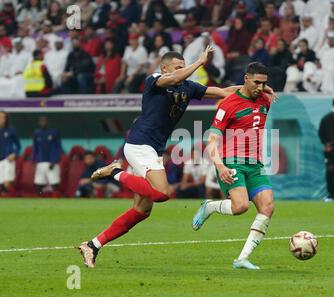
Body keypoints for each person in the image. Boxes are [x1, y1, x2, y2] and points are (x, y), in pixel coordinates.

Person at [78, 47, 276, 268]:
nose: (183, 72)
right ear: (164, 68)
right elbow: (174, 78)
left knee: (141, 211)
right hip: (139, 144)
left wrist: (260, 87)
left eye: (184, 67)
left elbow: (223, 92)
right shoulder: (154, 80)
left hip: (154, 149)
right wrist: (199, 62)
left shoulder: (187, 87)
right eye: (178, 67)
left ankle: (93, 245)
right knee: (163, 193)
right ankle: (114, 172)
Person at [192, 62, 274, 270]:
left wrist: (266, 89)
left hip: (255, 164)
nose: (261, 87)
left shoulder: (265, 99)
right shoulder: (227, 105)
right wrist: (220, 167)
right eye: (257, 82)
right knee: (241, 207)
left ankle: (242, 259)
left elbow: (258, 91)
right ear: (246, 78)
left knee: (267, 207)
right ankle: (209, 206)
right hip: (231, 162)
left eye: (264, 83)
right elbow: (211, 141)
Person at [32, 115, 62, 196]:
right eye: (41, 121)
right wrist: (33, 161)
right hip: (40, 163)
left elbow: (58, 148)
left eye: (44, 121)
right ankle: (40, 203)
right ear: (39, 122)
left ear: (47, 122)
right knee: (38, 185)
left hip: (51, 162)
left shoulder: (54, 132)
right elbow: (35, 148)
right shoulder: (36, 133)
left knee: (54, 184)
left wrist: (54, 160)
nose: (43, 122)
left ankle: (57, 202)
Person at [0, 111, 21, 196]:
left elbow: (18, 146)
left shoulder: (11, 130)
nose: (1, 119)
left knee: (6, 183)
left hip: (8, 159)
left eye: (3, 117)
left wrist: (14, 154)